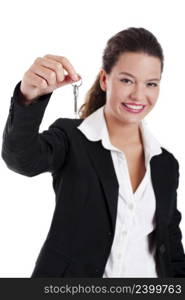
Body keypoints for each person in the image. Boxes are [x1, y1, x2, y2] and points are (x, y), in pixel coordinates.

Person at [1, 27, 185, 278]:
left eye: (151, 83)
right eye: (127, 80)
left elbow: (171, 248)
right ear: (105, 80)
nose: (139, 95)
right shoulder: (72, 138)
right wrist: (28, 96)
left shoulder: (165, 163)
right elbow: (21, 158)